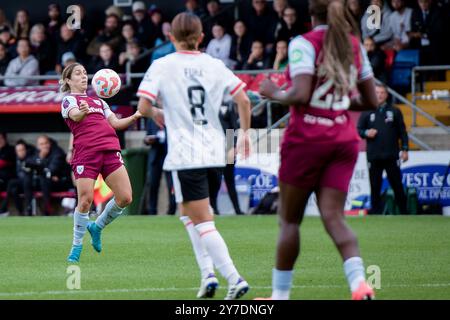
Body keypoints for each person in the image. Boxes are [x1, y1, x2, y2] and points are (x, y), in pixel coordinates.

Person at [258, 0, 378, 300]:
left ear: (310, 12)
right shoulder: (354, 44)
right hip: (343, 140)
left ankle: (279, 297)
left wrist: (273, 92)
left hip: (307, 140)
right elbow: (372, 101)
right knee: (334, 217)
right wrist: (334, 106)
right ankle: (359, 285)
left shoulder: (303, 43)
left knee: (289, 221)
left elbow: (299, 94)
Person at [137, 12, 252, 300]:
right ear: (202, 37)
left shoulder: (162, 65)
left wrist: (160, 112)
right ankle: (207, 276)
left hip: (187, 155)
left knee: (203, 221)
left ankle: (234, 278)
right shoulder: (214, 64)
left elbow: (143, 105)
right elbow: (244, 99)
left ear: (171, 37)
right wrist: (246, 135)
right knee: (189, 214)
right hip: (215, 152)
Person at [59, 62, 142, 262]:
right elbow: (76, 116)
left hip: (110, 149)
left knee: (125, 197)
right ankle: (76, 246)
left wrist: (136, 116)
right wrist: (83, 111)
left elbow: (115, 123)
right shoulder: (68, 101)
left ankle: (97, 227)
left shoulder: (99, 102)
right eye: (78, 73)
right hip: (86, 152)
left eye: (85, 72)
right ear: (68, 80)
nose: (83, 76)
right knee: (85, 199)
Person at [357, 83, 409, 215]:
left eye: (382, 93)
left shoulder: (395, 111)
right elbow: (358, 130)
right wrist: (366, 133)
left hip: (391, 155)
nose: (379, 95)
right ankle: (376, 213)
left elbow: (402, 132)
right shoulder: (367, 111)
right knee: (375, 187)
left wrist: (405, 149)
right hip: (374, 156)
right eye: (377, 92)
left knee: (397, 185)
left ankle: (404, 213)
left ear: (386, 95)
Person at [143, 119, 176, 215]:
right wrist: (148, 139)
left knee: (172, 185)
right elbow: (146, 138)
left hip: (169, 156)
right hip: (155, 157)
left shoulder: (171, 116)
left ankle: (172, 211)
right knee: (153, 185)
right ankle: (152, 212)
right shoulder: (152, 119)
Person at [0, 140, 36, 216]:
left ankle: (3, 208)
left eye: (22, 150)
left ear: (26, 150)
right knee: (14, 190)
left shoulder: (31, 158)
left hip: (30, 184)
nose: (21, 152)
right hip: (20, 184)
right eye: (18, 150)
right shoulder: (16, 159)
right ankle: (21, 212)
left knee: (16, 182)